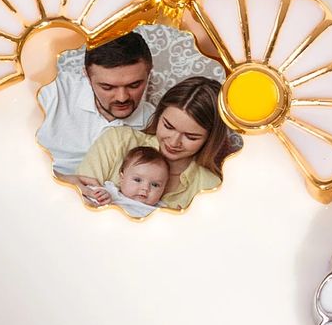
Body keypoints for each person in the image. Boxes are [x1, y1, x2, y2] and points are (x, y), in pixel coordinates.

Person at [71, 76, 229, 212]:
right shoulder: (118, 141)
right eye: (168, 126)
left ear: (210, 139)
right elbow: (78, 200)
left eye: (191, 137)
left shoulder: (211, 187)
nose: (174, 142)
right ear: (158, 115)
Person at [36, 32, 154, 177]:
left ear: (149, 73)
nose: (122, 98)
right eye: (107, 87)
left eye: (134, 85)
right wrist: (64, 179)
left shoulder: (156, 123)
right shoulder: (50, 92)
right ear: (87, 75)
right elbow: (12, 150)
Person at [88, 147, 171, 219]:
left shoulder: (162, 211)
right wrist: (100, 196)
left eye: (155, 185)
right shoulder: (112, 193)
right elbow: (87, 195)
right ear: (122, 178)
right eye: (137, 180)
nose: (145, 188)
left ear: (164, 188)